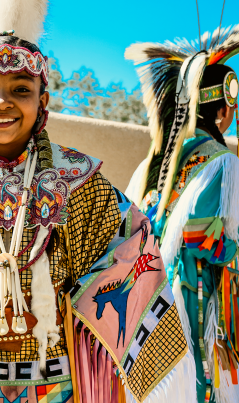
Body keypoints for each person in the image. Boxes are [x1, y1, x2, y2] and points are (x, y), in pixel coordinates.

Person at [0, 1, 195, 402]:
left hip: (60, 375)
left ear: (43, 102)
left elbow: (130, 247)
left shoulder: (78, 182)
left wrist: (67, 305)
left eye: (21, 89)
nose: (3, 102)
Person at [125, 25, 239, 403]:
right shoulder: (225, 165)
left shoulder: (148, 168)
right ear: (222, 109)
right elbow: (205, 238)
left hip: (142, 317)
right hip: (194, 317)